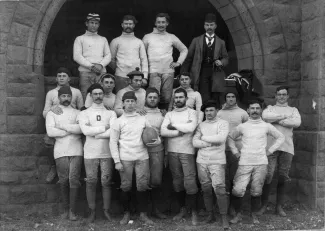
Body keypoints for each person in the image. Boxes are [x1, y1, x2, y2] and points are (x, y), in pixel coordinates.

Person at [228, 99, 285, 224]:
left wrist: (270, 151)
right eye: (252, 108)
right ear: (248, 110)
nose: (254, 111)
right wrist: (235, 153)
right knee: (238, 190)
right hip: (244, 162)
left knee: (257, 190)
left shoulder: (266, 126)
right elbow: (230, 137)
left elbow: (281, 137)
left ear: (261, 110)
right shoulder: (242, 126)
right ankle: (238, 215)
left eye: (257, 108)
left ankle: (254, 215)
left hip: (261, 162)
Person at [110, 91, 154, 225]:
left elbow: (152, 135)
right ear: (123, 103)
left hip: (142, 157)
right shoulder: (118, 121)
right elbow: (113, 142)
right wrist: (117, 161)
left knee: (142, 186)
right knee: (126, 186)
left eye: (132, 101)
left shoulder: (143, 119)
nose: (130, 104)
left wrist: (155, 142)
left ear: (136, 103)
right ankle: (126, 213)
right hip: (125, 158)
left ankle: (143, 214)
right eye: (127, 101)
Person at [78, 83, 117, 223]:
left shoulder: (111, 113)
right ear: (90, 95)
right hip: (90, 153)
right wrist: (103, 128)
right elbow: (85, 131)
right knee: (91, 182)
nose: (98, 96)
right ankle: (92, 212)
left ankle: (106, 211)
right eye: (95, 94)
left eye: (100, 94)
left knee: (106, 182)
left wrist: (96, 133)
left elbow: (113, 131)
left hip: (106, 153)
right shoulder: (84, 113)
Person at [259, 86, 301, 216]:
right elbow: (265, 116)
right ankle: (264, 205)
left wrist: (276, 120)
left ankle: (279, 207)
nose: (281, 97)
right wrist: (284, 118)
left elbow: (297, 122)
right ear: (276, 96)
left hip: (287, 147)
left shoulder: (293, 110)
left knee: (283, 176)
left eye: (284, 94)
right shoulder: (270, 108)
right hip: (271, 147)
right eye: (279, 94)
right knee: (268, 175)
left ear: (288, 96)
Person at [161, 88, 199, 226]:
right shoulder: (169, 114)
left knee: (190, 181)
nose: (178, 100)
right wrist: (178, 132)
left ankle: (194, 211)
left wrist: (173, 126)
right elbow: (163, 131)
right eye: (176, 98)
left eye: (181, 97)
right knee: (177, 181)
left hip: (187, 151)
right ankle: (183, 209)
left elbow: (191, 128)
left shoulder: (192, 112)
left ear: (186, 98)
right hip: (172, 151)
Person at [45, 86, 83, 221]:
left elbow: (81, 129)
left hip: (76, 149)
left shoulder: (78, 112)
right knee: (63, 180)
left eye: (68, 96)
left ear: (71, 97)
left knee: (74, 179)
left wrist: (62, 128)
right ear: (59, 97)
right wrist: (69, 131)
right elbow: (50, 132)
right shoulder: (52, 113)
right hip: (60, 150)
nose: (66, 99)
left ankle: (73, 211)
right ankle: (65, 209)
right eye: (63, 96)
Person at [193, 100, 229, 229]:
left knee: (219, 189)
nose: (209, 113)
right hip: (202, 161)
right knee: (206, 189)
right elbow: (194, 142)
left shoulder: (223, 123)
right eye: (206, 111)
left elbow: (221, 139)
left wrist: (203, 138)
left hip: (217, 161)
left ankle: (224, 217)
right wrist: (209, 142)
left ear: (217, 110)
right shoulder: (201, 125)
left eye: (211, 110)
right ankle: (210, 215)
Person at [43, 67, 84, 184]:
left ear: (69, 78)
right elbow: (44, 112)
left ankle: (79, 170)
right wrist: (52, 109)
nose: (61, 78)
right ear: (56, 78)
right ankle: (54, 166)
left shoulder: (76, 92)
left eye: (64, 76)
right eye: (59, 76)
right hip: (57, 125)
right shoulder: (51, 93)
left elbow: (81, 109)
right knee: (48, 141)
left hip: (72, 123)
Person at [181, 13, 229, 105]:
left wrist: (221, 62)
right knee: (204, 97)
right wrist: (183, 73)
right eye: (207, 25)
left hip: (216, 72)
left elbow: (226, 58)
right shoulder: (196, 40)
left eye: (211, 25)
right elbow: (189, 58)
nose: (209, 27)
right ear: (204, 26)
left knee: (215, 97)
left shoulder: (221, 42)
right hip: (201, 71)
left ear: (215, 26)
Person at [142, 13, 188, 110]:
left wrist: (178, 62)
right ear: (155, 23)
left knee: (166, 97)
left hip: (168, 71)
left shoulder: (171, 37)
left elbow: (184, 49)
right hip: (153, 71)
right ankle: (153, 115)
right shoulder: (147, 37)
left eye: (163, 22)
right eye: (158, 22)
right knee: (154, 96)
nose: (161, 24)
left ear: (167, 23)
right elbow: (142, 54)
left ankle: (163, 116)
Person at [217, 90, 248, 215]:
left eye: (232, 97)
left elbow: (248, 130)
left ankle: (235, 207)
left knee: (235, 177)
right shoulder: (219, 113)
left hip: (237, 150)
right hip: (221, 149)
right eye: (228, 96)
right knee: (223, 179)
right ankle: (224, 206)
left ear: (236, 98)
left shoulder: (243, 113)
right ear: (225, 99)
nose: (230, 99)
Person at [73, 13, 111, 100]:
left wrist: (100, 65)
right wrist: (91, 66)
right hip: (85, 72)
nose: (94, 25)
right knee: (86, 95)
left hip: (100, 72)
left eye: (96, 23)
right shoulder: (80, 38)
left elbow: (108, 55)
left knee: (101, 95)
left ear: (99, 25)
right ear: (87, 23)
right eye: (92, 22)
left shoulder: (103, 39)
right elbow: (77, 56)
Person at [143, 87, 167, 219]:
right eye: (150, 97)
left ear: (158, 99)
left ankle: (156, 209)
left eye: (155, 97)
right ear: (145, 98)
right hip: (142, 151)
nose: (152, 99)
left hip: (158, 150)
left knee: (156, 180)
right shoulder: (139, 113)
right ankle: (143, 211)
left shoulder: (163, 114)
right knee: (142, 180)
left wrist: (166, 152)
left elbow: (166, 135)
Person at [110, 15, 148, 92]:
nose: (128, 26)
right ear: (122, 25)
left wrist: (145, 77)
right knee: (121, 98)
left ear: (133, 25)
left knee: (136, 99)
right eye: (126, 23)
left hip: (136, 77)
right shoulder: (115, 41)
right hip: (120, 76)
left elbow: (144, 60)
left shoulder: (139, 42)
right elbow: (111, 59)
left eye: (130, 24)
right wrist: (119, 69)